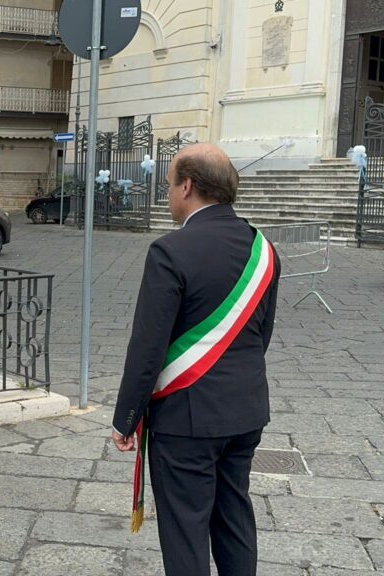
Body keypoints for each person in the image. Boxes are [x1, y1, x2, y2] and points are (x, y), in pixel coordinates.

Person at [110, 144, 280, 575]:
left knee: (186, 532)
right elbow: (262, 335)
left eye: (168, 185)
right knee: (234, 519)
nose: (167, 194)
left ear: (187, 186)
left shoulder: (170, 251)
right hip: (245, 411)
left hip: (185, 421)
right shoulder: (264, 248)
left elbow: (147, 347)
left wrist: (127, 416)